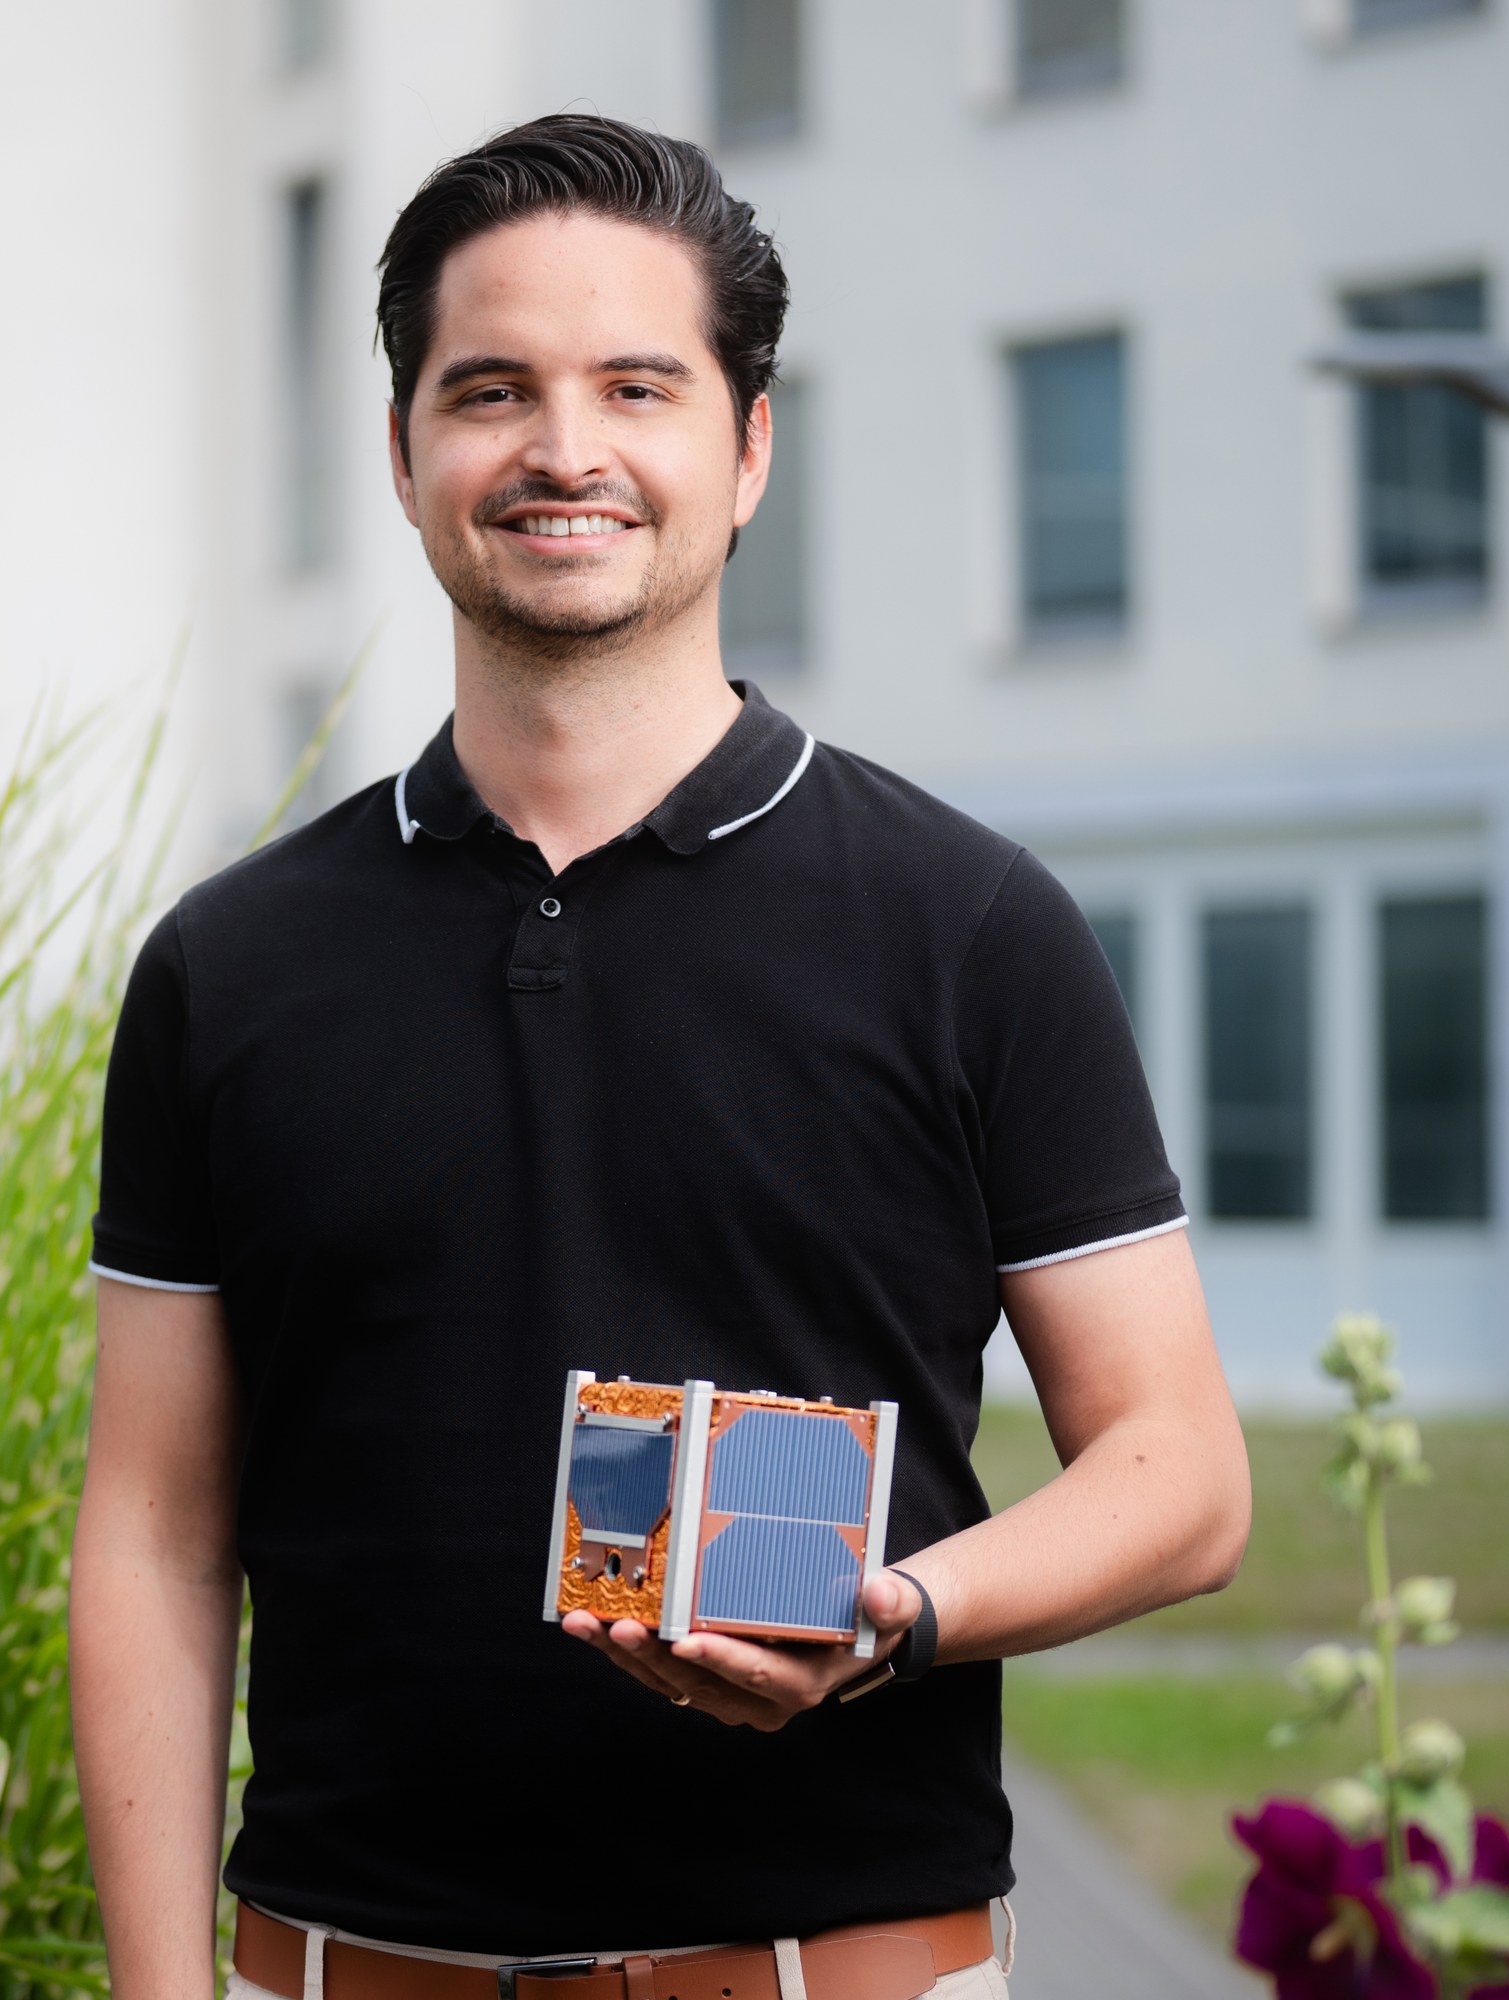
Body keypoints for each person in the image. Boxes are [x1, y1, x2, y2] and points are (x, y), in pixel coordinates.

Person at [67, 113, 1251, 2000]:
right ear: (402, 451)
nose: (565, 449)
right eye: (490, 390)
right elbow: (151, 1529)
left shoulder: (969, 925)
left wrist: (898, 1619)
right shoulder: (230, 966)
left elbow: (1182, 1472)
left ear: (748, 444)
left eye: (639, 384)